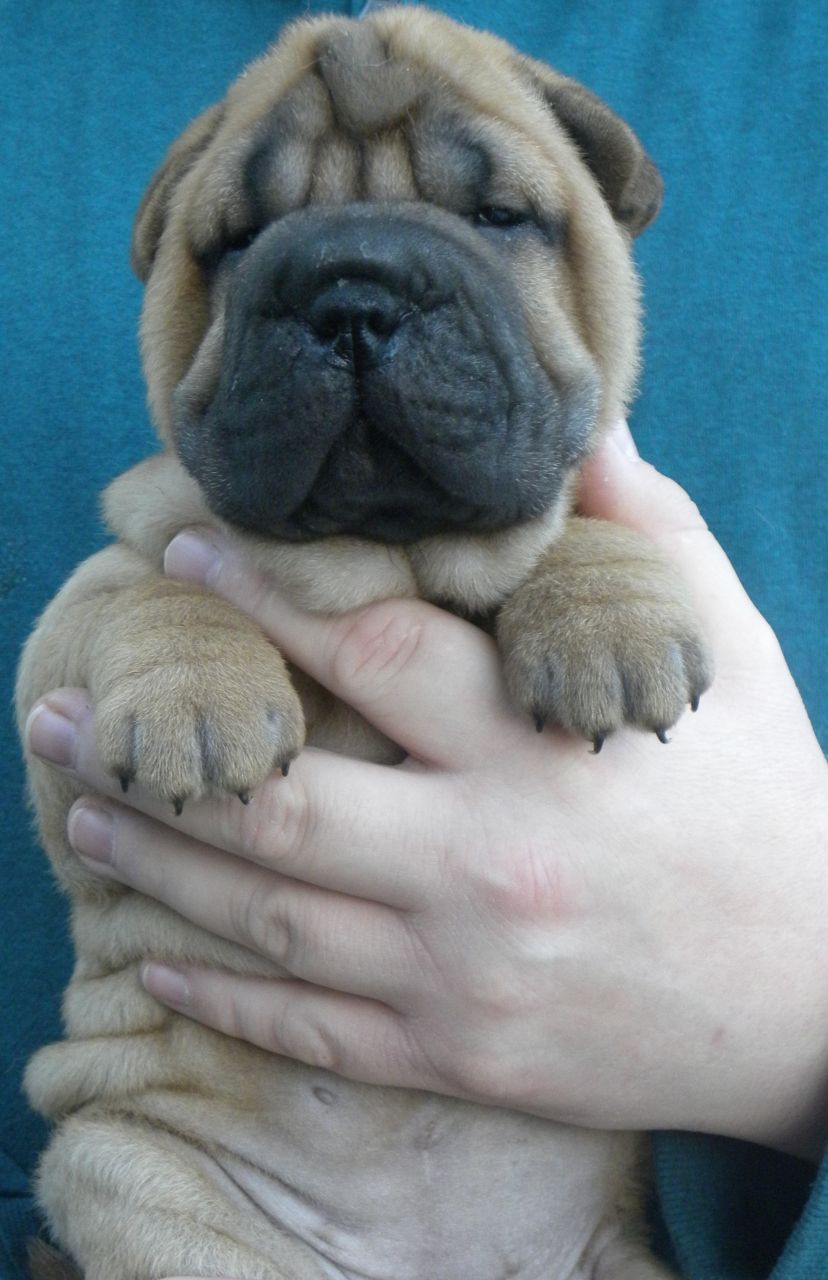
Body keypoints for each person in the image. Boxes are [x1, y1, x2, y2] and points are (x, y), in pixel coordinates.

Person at [2, 3, 826, 1278]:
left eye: (495, 219)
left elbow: (606, 577)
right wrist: (168, 645)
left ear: (604, 213)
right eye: (248, 238)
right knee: (117, 1179)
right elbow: (77, 677)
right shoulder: (169, 560)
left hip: (577, 1238)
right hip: (220, 1191)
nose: (353, 308)